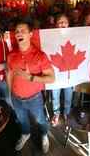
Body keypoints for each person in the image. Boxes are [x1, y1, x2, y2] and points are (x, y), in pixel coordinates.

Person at [7, 20, 55, 153]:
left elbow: (52, 78)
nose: (19, 33)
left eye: (23, 31)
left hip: (34, 98)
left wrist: (31, 78)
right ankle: (25, 134)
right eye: (17, 31)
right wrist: (10, 93)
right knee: (22, 120)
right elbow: (9, 73)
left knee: (40, 120)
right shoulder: (11, 55)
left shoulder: (40, 56)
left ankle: (44, 135)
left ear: (30, 34)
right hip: (16, 97)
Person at [51, 14, 74, 126]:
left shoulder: (74, 36)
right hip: (55, 72)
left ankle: (66, 113)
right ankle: (56, 114)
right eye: (59, 22)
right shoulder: (50, 36)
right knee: (55, 96)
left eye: (64, 22)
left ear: (68, 24)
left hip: (69, 72)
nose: (62, 24)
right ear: (56, 24)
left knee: (68, 95)